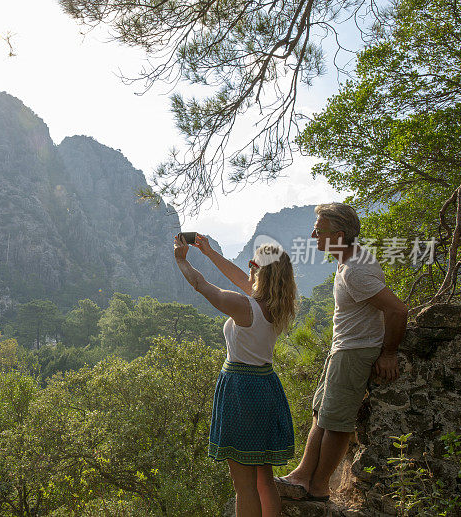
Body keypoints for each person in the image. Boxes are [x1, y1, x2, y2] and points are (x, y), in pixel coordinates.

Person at [275, 203, 408, 502]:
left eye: (319, 230)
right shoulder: (348, 261)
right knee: (321, 413)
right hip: (343, 349)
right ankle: (301, 476)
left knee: (336, 422)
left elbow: (398, 310)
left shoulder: (355, 271)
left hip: (355, 351)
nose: (313, 235)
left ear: (337, 235)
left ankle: (319, 487)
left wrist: (389, 354)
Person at [174, 233, 298, 517]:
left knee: (243, 484)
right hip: (266, 386)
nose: (249, 267)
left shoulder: (244, 307)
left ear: (261, 272)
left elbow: (200, 285)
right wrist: (208, 252)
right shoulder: (276, 305)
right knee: (264, 479)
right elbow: (240, 278)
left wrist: (181, 260)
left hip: (242, 391)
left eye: (252, 263)